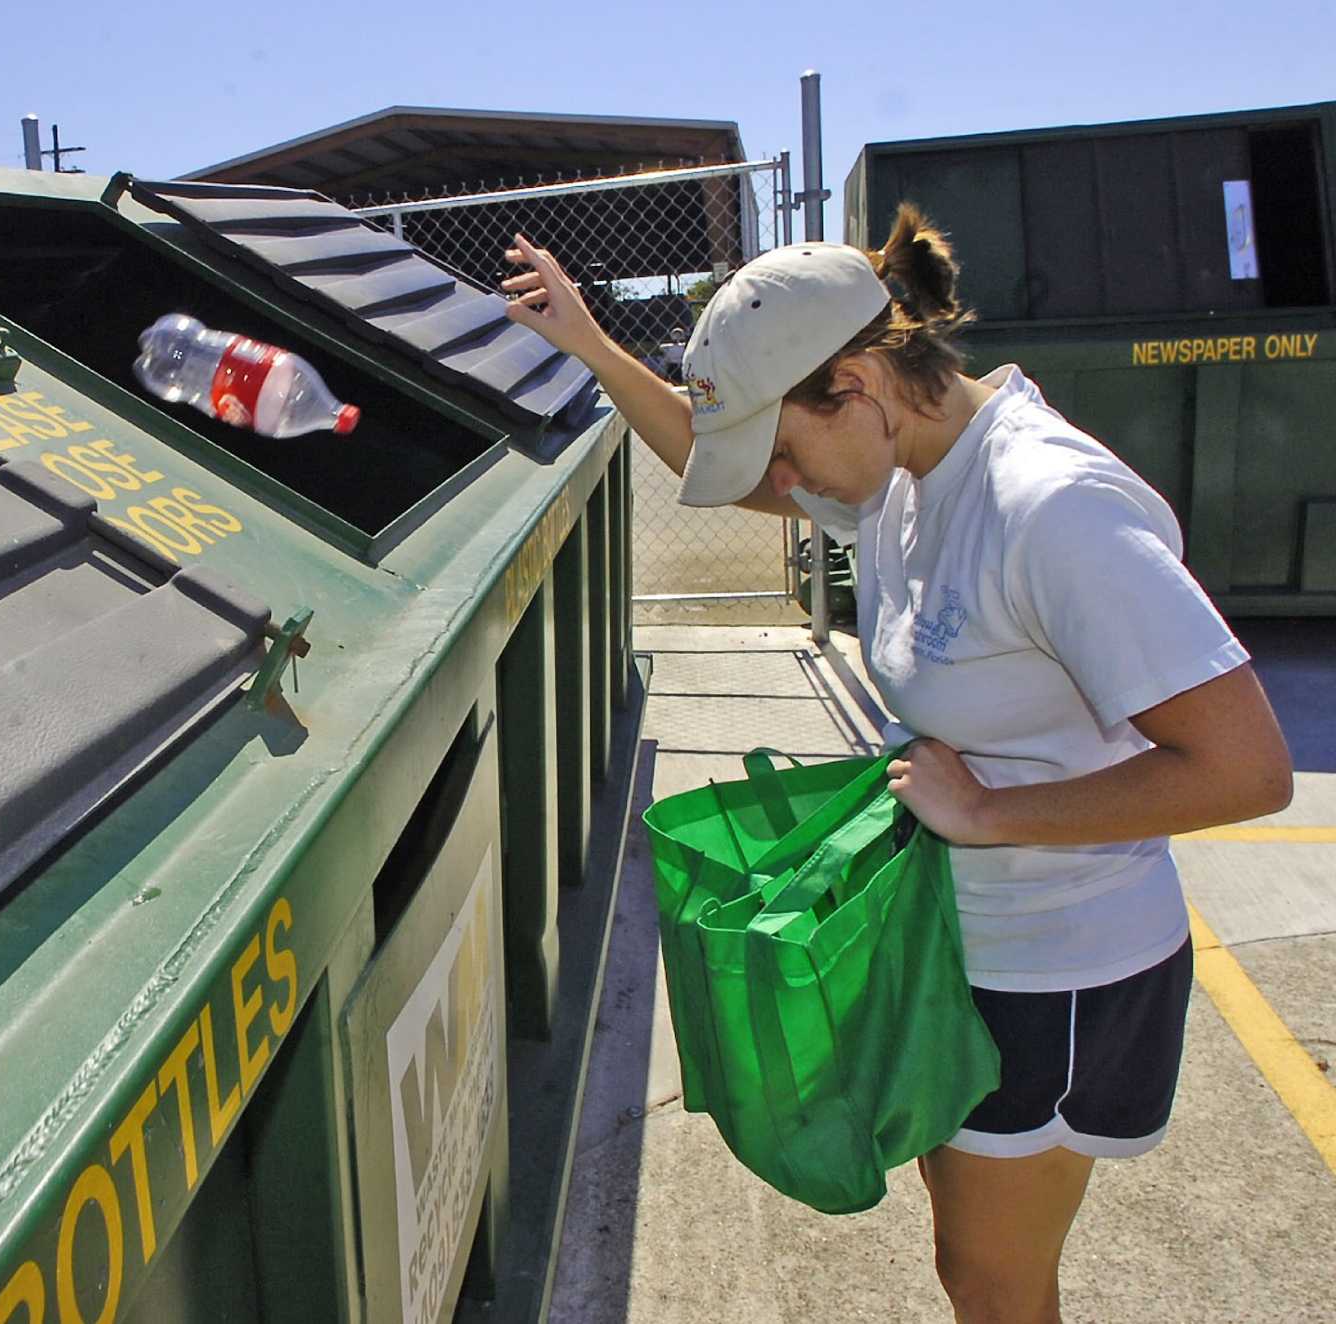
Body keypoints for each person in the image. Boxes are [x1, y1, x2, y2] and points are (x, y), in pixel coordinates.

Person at [502, 209, 1294, 1324]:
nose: (781, 483)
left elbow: (1245, 768)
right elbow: (717, 461)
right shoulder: (901, 474)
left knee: (990, 1277)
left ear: (860, 384)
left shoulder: (1047, 506)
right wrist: (588, 341)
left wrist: (985, 809)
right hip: (955, 938)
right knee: (956, 1236)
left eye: (785, 445)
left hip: (1055, 963)